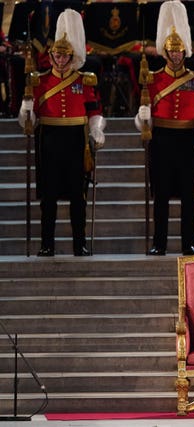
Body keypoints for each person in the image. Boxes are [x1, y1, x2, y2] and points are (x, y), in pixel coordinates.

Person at [18, 8, 106, 257]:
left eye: (64, 56)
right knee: (49, 197)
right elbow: (29, 122)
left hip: (76, 140)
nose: (60, 60)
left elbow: (94, 111)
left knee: (78, 197)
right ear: (52, 56)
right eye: (56, 55)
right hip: (49, 140)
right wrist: (26, 110)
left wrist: (97, 129)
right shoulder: (39, 81)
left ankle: (80, 244)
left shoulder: (84, 81)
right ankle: (47, 244)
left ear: (71, 57)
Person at [134, 0, 194, 256]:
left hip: (187, 138)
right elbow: (144, 112)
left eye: (180, 51)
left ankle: (188, 243)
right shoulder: (153, 78)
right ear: (166, 52)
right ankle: (159, 243)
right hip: (161, 138)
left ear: (185, 51)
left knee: (187, 194)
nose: (177, 55)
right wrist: (142, 117)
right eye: (172, 51)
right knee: (160, 194)